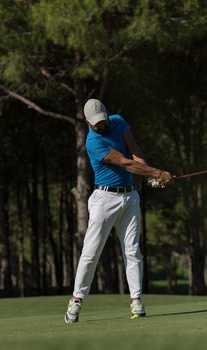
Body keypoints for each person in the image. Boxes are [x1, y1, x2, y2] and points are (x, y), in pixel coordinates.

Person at [65, 99, 174, 323]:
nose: (101, 126)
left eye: (103, 121)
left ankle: (136, 301)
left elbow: (135, 154)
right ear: (88, 122)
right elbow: (125, 163)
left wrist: (152, 175)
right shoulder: (93, 142)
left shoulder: (118, 121)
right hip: (104, 199)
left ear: (107, 113)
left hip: (130, 196)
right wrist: (156, 172)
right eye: (96, 124)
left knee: (133, 251)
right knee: (91, 253)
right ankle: (76, 300)